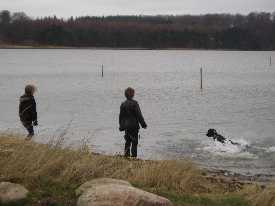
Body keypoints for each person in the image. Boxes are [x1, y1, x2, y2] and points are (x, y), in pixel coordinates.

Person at [119, 87, 147, 158]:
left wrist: (121, 126)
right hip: (134, 126)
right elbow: (139, 115)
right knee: (134, 142)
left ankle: (126, 156)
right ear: (133, 95)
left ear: (125, 95)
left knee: (127, 141)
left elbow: (121, 117)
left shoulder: (123, 104)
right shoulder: (135, 103)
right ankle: (134, 157)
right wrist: (143, 124)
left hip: (126, 126)